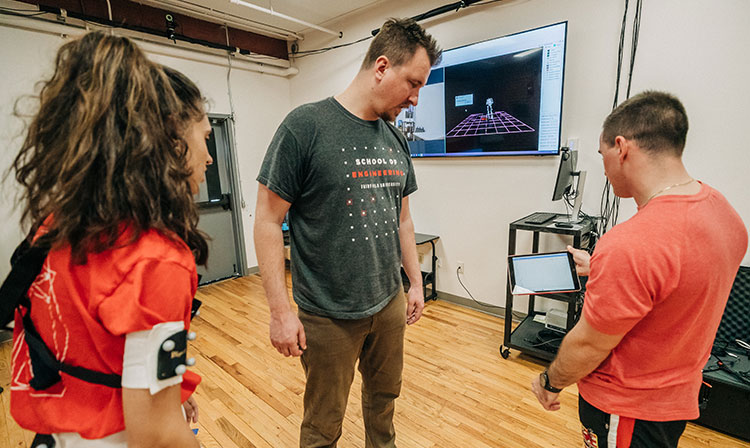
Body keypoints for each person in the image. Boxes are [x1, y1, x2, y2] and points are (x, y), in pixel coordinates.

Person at [6, 32, 212, 447]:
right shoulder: (156, 261)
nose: (208, 156)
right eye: (204, 137)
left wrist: (166, 398)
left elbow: (94, 349)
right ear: (171, 140)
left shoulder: (54, 228)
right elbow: (157, 437)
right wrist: (164, 415)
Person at [254, 18, 441, 448]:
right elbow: (266, 220)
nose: (415, 99)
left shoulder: (396, 139)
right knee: (323, 424)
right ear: (381, 67)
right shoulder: (305, 126)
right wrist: (281, 312)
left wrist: (414, 283)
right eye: (412, 83)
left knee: (384, 403)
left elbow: (403, 219)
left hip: (388, 302)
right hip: (328, 315)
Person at [530, 91, 748, 447]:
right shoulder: (724, 214)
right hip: (676, 400)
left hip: (627, 409)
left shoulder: (631, 244)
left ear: (622, 147)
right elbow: (674, 283)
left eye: (602, 156)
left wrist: (549, 381)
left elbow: (587, 344)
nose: (603, 168)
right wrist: (603, 266)